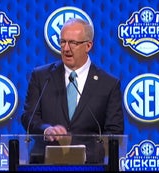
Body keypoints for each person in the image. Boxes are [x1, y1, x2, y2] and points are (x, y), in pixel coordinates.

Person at [21, 18, 124, 164]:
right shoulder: (42, 77)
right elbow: (28, 116)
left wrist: (82, 155)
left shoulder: (108, 84)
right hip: (45, 165)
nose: (66, 48)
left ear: (88, 46)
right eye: (63, 42)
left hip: (89, 166)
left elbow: (114, 133)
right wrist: (46, 130)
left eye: (73, 43)